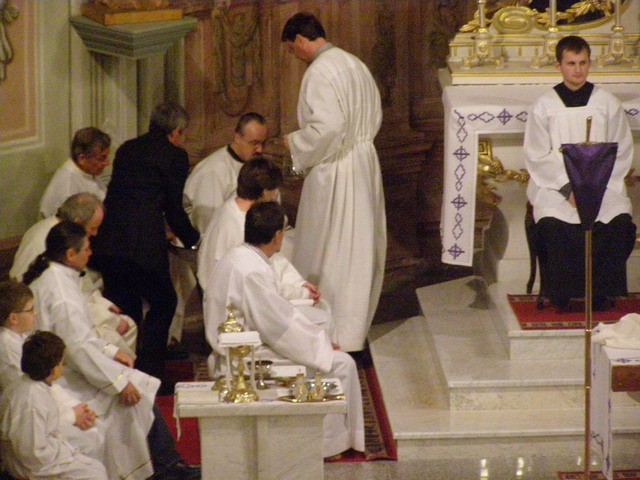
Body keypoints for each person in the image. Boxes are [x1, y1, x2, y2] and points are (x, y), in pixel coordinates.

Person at [25, 222, 200, 480]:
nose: (90, 253)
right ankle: (167, 468)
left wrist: (109, 351)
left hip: (68, 366)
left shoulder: (54, 276)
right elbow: (78, 348)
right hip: (64, 378)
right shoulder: (61, 293)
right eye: (86, 248)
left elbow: (81, 337)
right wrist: (118, 383)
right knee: (136, 392)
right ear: (70, 255)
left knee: (138, 385)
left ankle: (167, 465)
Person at [203, 201, 364, 458]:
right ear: (277, 236)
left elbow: (274, 310)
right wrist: (320, 345)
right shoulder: (252, 270)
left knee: (330, 352)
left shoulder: (240, 257)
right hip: (245, 356)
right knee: (342, 364)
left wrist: (314, 336)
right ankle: (327, 446)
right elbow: (278, 326)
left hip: (242, 346)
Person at [281, 12, 387, 352]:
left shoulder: (319, 72)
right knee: (359, 248)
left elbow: (328, 128)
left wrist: (294, 143)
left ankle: (332, 333)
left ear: (300, 40)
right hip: (363, 161)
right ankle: (353, 332)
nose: (294, 56)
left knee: (332, 248)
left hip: (337, 167)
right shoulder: (355, 64)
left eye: (291, 49)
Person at [524, 35, 636, 312]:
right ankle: (562, 294)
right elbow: (537, 155)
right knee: (554, 225)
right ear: (558, 66)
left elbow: (621, 151)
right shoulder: (544, 106)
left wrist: (595, 188)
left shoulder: (607, 103)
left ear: (590, 64)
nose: (578, 70)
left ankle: (601, 292)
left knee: (619, 223)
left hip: (602, 185)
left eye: (583, 63)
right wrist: (567, 188)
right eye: (571, 63)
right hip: (556, 187)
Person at [90, 102, 200, 384]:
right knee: (164, 302)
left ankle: (123, 375)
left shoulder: (127, 149)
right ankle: (151, 376)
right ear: (175, 132)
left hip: (108, 242)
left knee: (126, 307)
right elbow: (173, 208)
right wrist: (194, 238)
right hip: (142, 245)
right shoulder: (175, 156)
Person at [197, 158, 335, 346]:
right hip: (238, 315)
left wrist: (299, 284)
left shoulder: (237, 209)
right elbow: (261, 284)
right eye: (274, 190)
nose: (276, 194)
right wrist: (300, 293)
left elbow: (272, 261)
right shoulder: (238, 226)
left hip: (252, 299)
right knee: (318, 324)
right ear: (263, 192)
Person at [0, 281, 108, 474]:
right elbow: (32, 447)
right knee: (92, 454)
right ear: (13, 318)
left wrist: (75, 411)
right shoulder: (7, 349)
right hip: (34, 454)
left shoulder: (21, 341)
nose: (35, 314)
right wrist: (71, 416)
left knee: (94, 447)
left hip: (44, 426)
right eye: (30, 310)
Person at [10, 192, 137, 357]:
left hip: (73, 312)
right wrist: (105, 316)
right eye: (93, 228)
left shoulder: (64, 237)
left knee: (124, 325)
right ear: (78, 222)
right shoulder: (46, 242)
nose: (95, 233)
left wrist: (101, 303)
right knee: (122, 331)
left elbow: (81, 284)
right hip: (46, 328)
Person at [184, 112, 269, 234]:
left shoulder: (255, 164)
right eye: (254, 143)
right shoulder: (214, 170)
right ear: (237, 137)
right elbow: (207, 224)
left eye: (263, 143)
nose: (260, 149)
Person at [39, 127, 111, 218]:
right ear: (82, 159)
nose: (107, 163)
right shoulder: (68, 190)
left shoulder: (88, 170)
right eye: (101, 158)